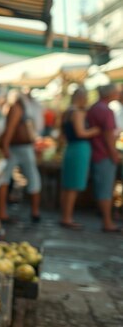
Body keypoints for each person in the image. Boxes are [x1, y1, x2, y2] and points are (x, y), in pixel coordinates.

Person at [0, 92, 42, 223]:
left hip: (16, 148)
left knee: (4, 178)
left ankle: (2, 212)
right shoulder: (25, 109)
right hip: (23, 148)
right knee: (32, 177)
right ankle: (35, 211)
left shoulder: (16, 108)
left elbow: (10, 128)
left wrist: (4, 145)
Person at [59, 87, 100, 230]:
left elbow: (62, 134)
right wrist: (96, 130)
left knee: (68, 185)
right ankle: (67, 218)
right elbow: (81, 133)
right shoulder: (77, 112)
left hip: (71, 148)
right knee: (73, 186)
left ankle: (65, 216)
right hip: (79, 148)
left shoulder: (67, 112)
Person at [86, 84, 121, 233]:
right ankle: (107, 222)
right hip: (103, 153)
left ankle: (107, 219)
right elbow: (108, 135)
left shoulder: (95, 108)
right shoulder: (106, 111)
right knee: (105, 189)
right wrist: (114, 154)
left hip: (96, 152)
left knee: (103, 187)